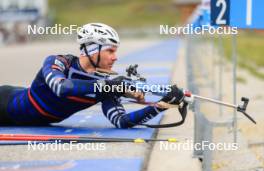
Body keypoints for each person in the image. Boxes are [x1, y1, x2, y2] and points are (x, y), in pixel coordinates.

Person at [0, 23, 185, 128]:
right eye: (110, 51)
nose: (115, 57)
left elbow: (122, 121)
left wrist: (159, 106)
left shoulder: (105, 83)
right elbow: (62, 88)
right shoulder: (58, 62)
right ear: (92, 49)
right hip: (6, 102)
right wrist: (110, 85)